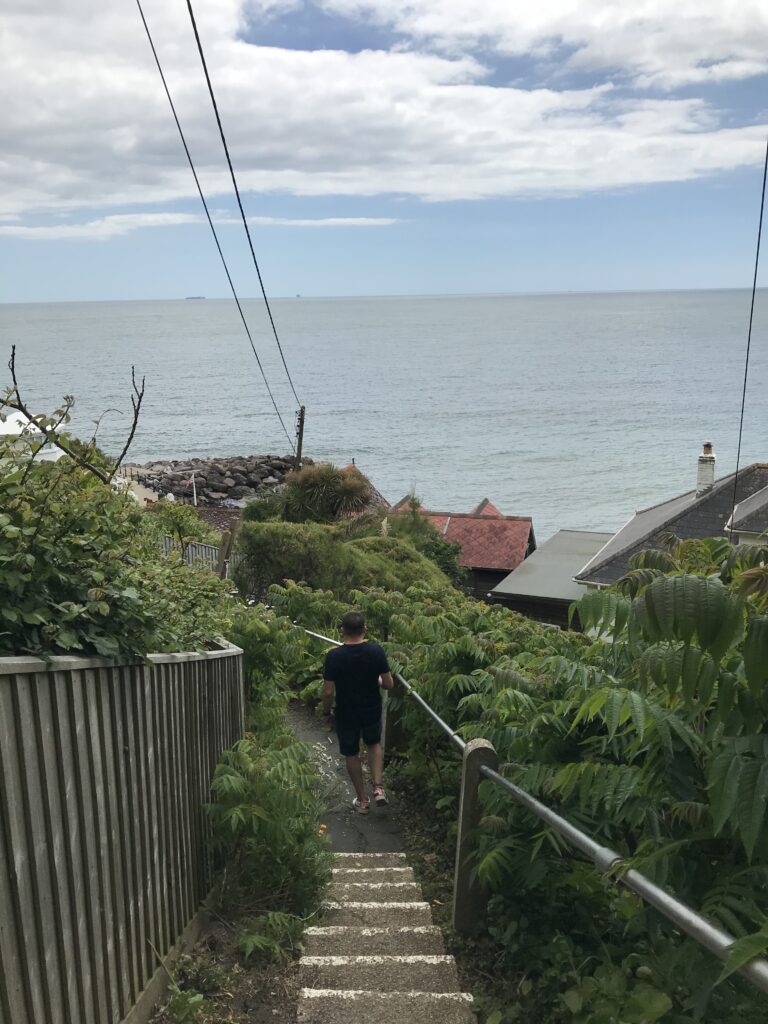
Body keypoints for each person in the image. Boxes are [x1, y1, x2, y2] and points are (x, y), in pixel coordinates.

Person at [322, 610, 394, 814]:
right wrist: (377, 680)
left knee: (351, 753)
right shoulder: (376, 652)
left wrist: (326, 713)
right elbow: (388, 684)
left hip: (346, 712)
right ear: (364, 630)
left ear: (342, 631)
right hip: (371, 708)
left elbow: (328, 691)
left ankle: (362, 801)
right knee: (373, 744)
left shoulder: (334, 656)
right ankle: (378, 788)